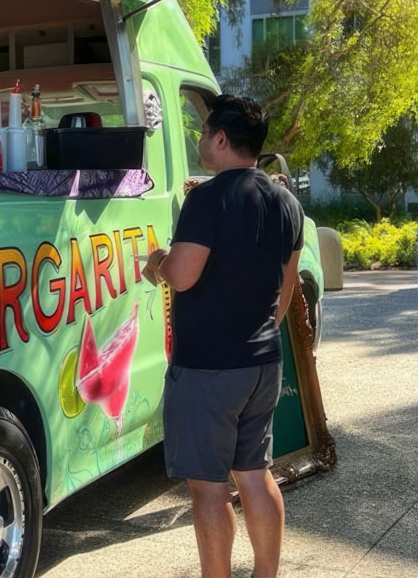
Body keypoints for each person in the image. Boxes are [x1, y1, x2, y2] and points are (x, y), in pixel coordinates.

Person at [142, 95, 303, 578]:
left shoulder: (207, 198)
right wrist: (258, 331)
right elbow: (287, 286)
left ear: (221, 138)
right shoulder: (286, 201)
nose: (200, 138)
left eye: (204, 130)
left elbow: (183, 274)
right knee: (254, 474)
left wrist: (158, 263)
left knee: (209, 488)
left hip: (208, 368)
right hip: (262, 362)